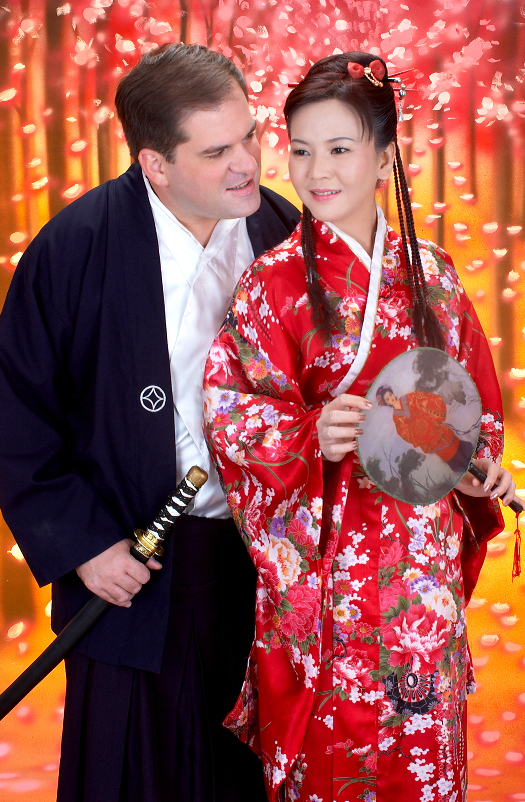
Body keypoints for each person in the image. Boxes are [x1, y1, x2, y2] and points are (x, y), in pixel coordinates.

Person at [203, 52, 520, 801]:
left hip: (418, 577)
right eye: (301, 150)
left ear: (383, 159)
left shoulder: (433, 275)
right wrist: (306, 434)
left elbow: (472, 408)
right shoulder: (271, 284)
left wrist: (478, 467)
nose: (317, 171)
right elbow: (230, 410)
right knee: (330, 766)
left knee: (422, 762)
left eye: (340, 149)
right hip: (326, 584)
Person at [0, 43, 299, 802]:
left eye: (249, 137)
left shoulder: (281, 232)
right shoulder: (75, 248)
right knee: (133, 770)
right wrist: (84, 545)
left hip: (260, 561)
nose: (247, 165)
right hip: (131, 562)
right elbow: (15, 410)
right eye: (216, 152)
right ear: (154, 164)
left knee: (253, 770)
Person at [375, 385, 474, 472]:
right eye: (387, 399)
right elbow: (403, 432)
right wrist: (416, 433)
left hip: (432, 424)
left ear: (392, 393)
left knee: (448, 440)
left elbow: (422, 398)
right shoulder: (396, 417)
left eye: (390, 395)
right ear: (386, 403)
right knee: (443, 451)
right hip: (423, 436)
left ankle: (468, 456)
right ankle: (460, 466)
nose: (391, 398)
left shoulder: (407, 398)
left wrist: (426, 412)